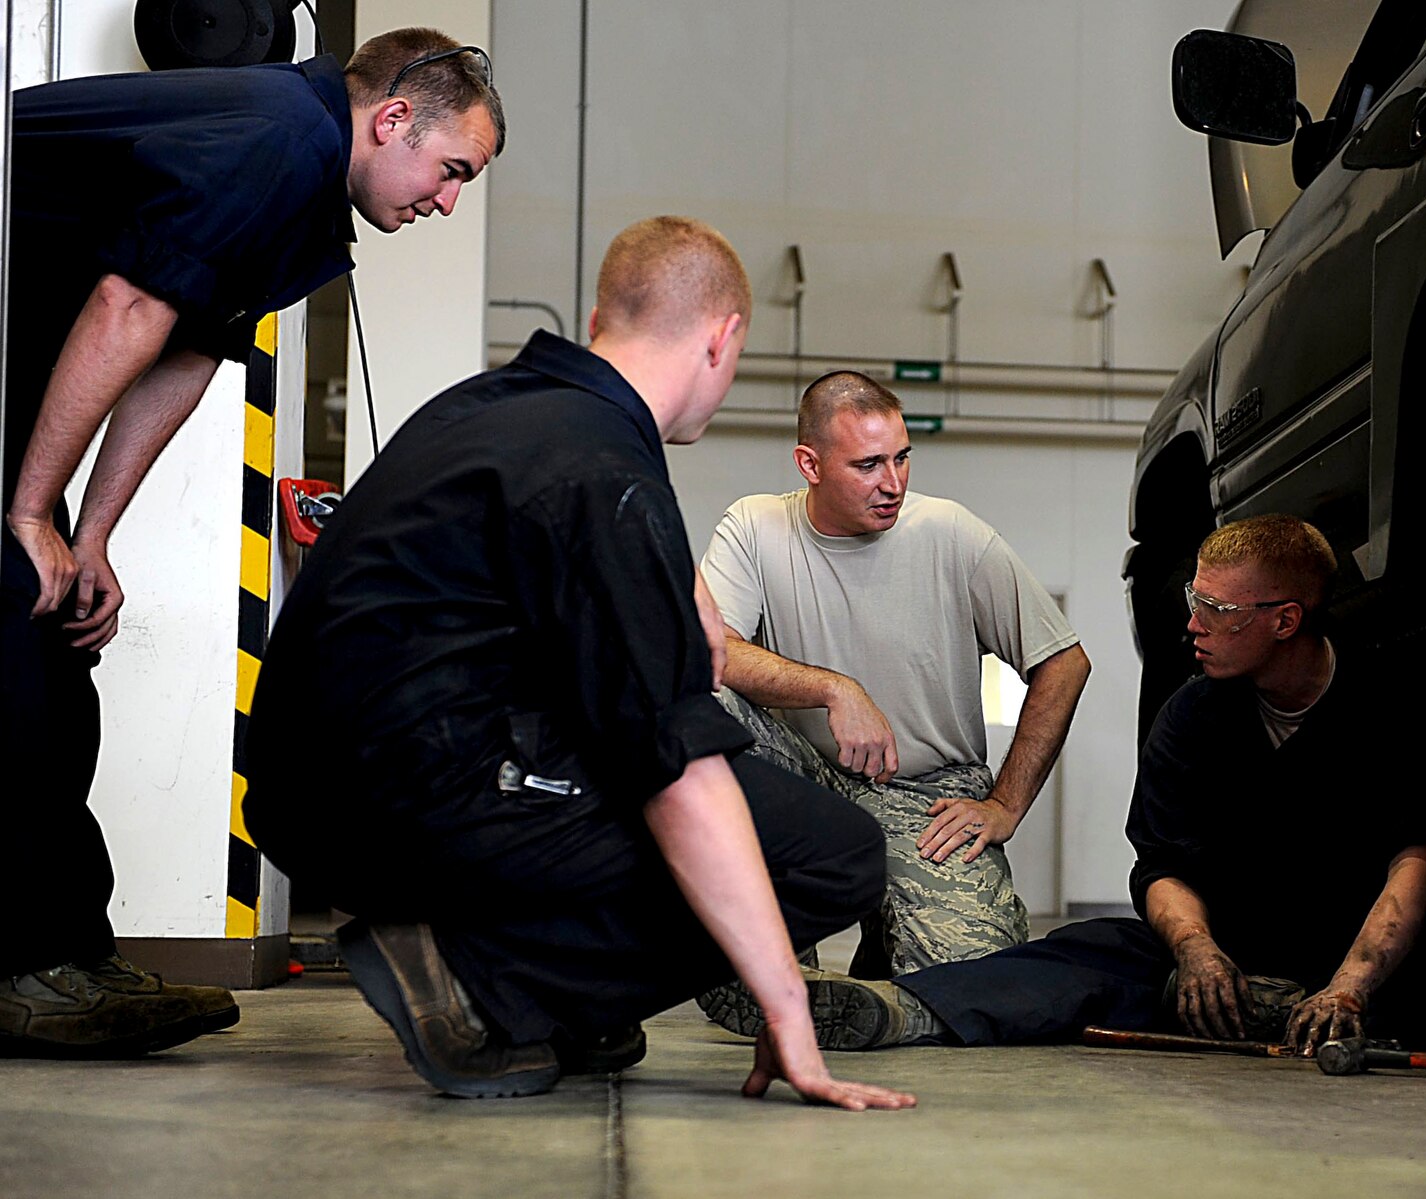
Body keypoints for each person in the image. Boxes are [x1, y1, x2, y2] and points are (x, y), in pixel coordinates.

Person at [241, 216, 913, 1109]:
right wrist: (788, 1009)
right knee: (833, 851)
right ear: (723, 339)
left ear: (602, 317)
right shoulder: (601, 466)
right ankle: (481, 980)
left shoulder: (500, 408)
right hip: (401, 796)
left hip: (311, 794)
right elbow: (679, 766)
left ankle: (559, 1002)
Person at [1, 28, 505, 1058]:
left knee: (55, 636)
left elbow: (181, 347)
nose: (448, 201)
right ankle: (23, 963)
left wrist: (88, 535)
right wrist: (28, 515)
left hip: (20, 369)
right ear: (394, 119)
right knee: (13, 627)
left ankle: (63, 949)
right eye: (452, 171)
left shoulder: (306, 188)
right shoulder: (281, 139)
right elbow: (126, 302)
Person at [723, 515, 1426, 1054]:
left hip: (1366, 951)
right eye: (1193, 599)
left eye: (1218, 609)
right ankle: (899, 1012)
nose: (1193, 625)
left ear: (1285, 620)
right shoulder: (1194, 714)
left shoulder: (1391, 705)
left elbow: (1422, 859)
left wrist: (1351, 985)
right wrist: (1198, 951)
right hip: (1224, 950)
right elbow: (1162, 866)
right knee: (1078, 956)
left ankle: (1304, 1008)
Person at [696, 371, 1091, 992]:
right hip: (802, 783)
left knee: (976, 988)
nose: (893, 483)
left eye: (902, 458)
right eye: (868, 464)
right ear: (810, 464)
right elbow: (711, 651)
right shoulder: (754, 526)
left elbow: (1063, 662)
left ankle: (890, 937)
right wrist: (835, 689)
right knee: (702, 695)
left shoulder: (953, 534)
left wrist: (1005, 804)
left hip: (925, 793)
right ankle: (777, 960)